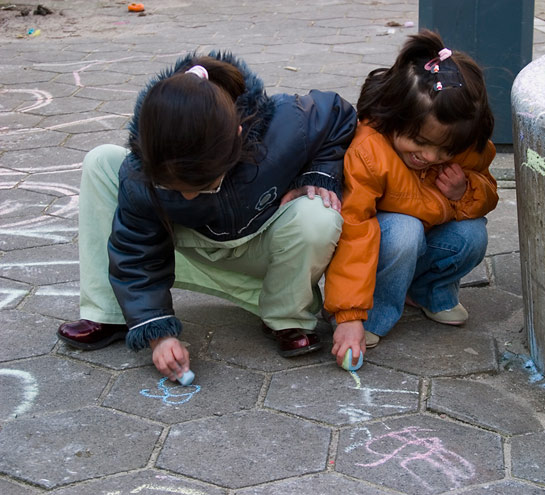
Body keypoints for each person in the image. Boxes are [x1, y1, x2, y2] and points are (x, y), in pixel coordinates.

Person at [57, 52, 357, 382]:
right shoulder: (141, 170)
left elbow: (339, 115)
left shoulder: (286, 125)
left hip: (262, 251)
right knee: (101, 161)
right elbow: (135, 252)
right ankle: (113, 313)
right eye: (174, 187)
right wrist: (158, 333)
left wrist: (319, 174)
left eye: (201, 186)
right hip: (190, 247)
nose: (187, 195)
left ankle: (286, 316)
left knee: (319, 213)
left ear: (239, 136)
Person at [323, 30, 499, 367]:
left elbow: (488, 189)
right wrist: (348, 315)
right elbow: (354, 228)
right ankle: (373, 312)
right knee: (404, 230)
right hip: (381, 249)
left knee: (473, 233)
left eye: (444, 149)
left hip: (425, 240)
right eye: (419, 141)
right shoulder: (369, 151)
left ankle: (428, 291)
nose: (431, 156)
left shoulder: (463, 141)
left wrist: (466, 192)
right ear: (396, 114)